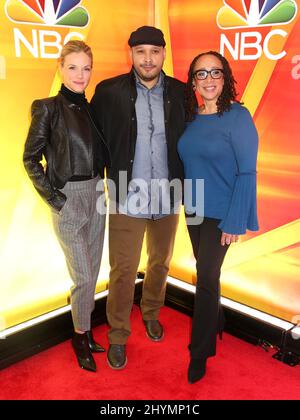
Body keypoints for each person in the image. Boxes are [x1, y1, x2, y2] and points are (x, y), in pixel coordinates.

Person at [91, 26, 186, 369]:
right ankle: (117, 334)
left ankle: (151, 312)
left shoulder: (180, 91)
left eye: (154, 51)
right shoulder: (108, 92)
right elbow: (95, 141)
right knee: (123, 270)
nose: (148, 58)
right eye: (141, 51)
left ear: (163, 54)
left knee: (160, 262)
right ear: (130, 53)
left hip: (168, 195)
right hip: (125, 197)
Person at [23, 40, 110, 373]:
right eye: (73, 67)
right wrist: (57, 200)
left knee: (92, 273)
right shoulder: (46, 108)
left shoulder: (92, 108)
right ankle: (78, 336)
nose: (81, 75)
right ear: (60, 68)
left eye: (86, 68)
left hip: (99, 193)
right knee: (84, 275)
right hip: (69, 197)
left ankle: (85, 332)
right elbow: (30, 159)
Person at [177, 51, 259, 383]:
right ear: (193, 80)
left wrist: (236, 219)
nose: (208, 79)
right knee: (208, 274)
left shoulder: (238, 116)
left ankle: (200, 352)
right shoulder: (191, 116)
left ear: (225, 78)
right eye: (201, 73)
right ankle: (218, 320)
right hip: (194, 207)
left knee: (206, 277)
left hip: (222, 212)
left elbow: (247, 171)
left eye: (215, 72)